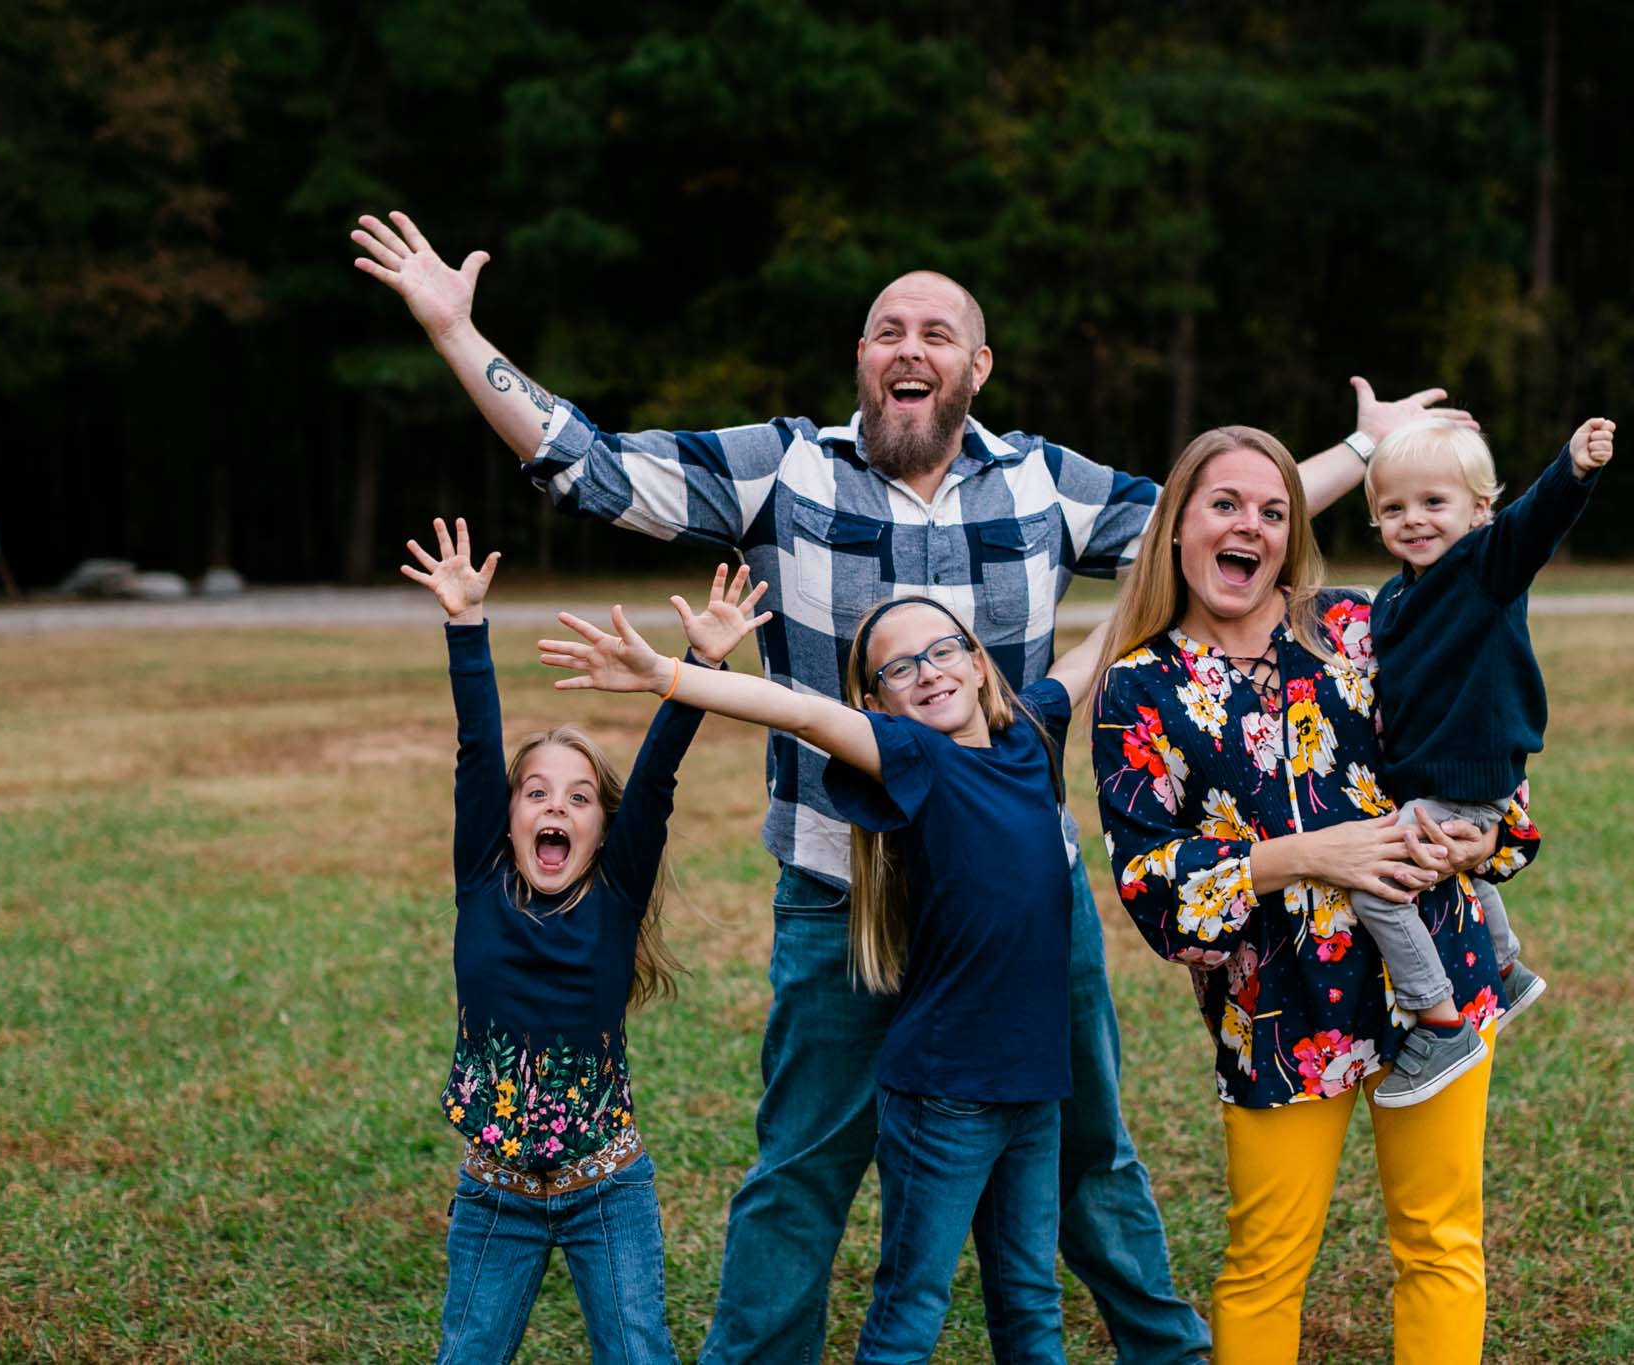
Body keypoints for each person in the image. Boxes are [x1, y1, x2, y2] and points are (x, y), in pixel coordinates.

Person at [353, 207, 1473, 1363]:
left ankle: (1165, 1351)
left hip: (1018, 900)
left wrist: (1362, 451)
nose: (908, 346)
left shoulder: (1044, 485)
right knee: (801, 1169)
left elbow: (1215, 519)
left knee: (1088, 1153)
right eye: (887, 329)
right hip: (841, 894)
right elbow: (593, 467)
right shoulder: (785, 468)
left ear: (975, 367)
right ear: (861, 360)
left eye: (937, 331)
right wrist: (453, 331)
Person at [536, 586, 1119, 1364]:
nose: (929, 673)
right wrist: (667, 674)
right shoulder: (915, 757)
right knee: (914, 1304)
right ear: (878, 702)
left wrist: (1162, 577)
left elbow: (1091, 655)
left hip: (1036, 1085)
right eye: (900, 669)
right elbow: (801, 714)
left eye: (944, 651)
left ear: (979, 664)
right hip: (947, 1094)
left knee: (1031, 1298)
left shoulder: (1032, 736)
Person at [1090, 428, 1544, 1364]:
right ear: (1177, 525)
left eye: (1272, 509)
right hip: (1283, 1012)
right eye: (1225, 504)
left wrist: (1490, 829)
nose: (1248, 525)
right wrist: (1305, 854)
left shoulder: (1351, 625)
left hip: (1439, 986)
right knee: (1266, 1260)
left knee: (1440, 1241)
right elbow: (1149, 881)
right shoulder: (1138, 687)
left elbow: (1466, 719)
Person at [403, 518, 769, 1364]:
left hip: (607, 1187)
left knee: (639, 1352)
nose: (555, 808)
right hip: (494, 1194)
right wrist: (465, 623)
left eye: (577, 797)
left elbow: (655, 781)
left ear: (603, 829)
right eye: (535, 793)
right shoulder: (481, 879)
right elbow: (474, 749)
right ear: (510, 818)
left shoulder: (615, 896)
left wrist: (703, 666)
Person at [1355, 417, 1615, 1107]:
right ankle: (1504, 965)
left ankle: (1440, 1024)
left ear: (1478, 510)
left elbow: (1538, 521)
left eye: (1433, 503)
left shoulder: (1487, 567)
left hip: (1468, 776)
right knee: (1451, 865)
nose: (1412, 520)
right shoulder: (1394, 597)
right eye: (1393, 508)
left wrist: (1573, 468)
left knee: (1377, 884)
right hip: (1432, 780)